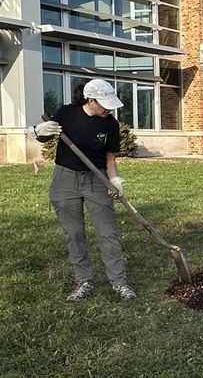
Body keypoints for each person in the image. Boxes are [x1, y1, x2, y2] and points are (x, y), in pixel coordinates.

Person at [29, 79, 136, 301]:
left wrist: (115, 180)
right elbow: (45, 136)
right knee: (74, 233)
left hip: (97, 179)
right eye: (103, 104)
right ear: (90, 99)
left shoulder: (110, 125)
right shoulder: (66, 113)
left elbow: (110, 157)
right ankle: (84, 281)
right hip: (65, 179)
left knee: (108, 232)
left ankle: (119, 282)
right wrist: (38, 131)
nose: (108, 109)